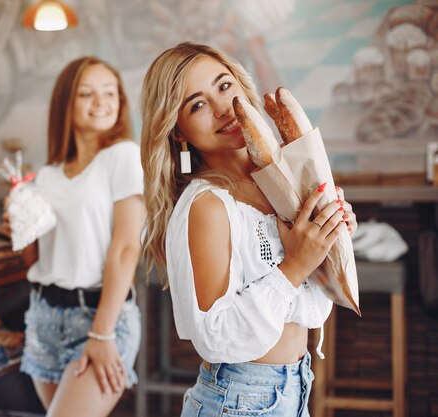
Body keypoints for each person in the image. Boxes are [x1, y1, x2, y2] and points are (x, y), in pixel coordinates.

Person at [139, 42, 358, 416]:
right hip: (238, 401)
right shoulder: (207, 205)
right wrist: (294, 266)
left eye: (224, 86)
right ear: (179, 132)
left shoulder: (280, 187)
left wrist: (328, 240)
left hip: (295, 390)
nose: (224, 108)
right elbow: (214, 335)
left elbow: (308, 310)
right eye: (198, 104)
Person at [7, 56, 145, 417]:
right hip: (43, 319)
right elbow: (36, 261)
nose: (101, 102)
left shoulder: (123, 156)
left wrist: (102, 334)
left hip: (99, 318)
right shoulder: (46, 175)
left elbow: (126, 248)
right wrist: (18, 224)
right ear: (65, 105)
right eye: (86, 94)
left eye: (109, 92)